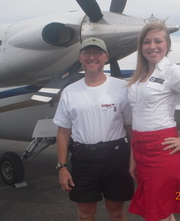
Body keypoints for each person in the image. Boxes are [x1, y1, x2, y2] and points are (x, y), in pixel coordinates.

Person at [127, 22, 180, 221]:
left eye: (158, 41)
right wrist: (133, 158)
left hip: (161, 151)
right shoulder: (141, 76)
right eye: (147, 42)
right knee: (162, 212)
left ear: (167, 44)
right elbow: (137, 119)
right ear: (141, 47)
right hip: (140, 150)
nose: (152, 46)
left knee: (157, 214)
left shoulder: (171, 72)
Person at [53, 37, 134, 221]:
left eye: (97, 52)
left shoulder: (121, 88)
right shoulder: (70, 92)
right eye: (87, 53)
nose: (92, 57)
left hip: (116, 157)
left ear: (106, 56)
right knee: (85, 214)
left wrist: (134, 159)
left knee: (116, 212)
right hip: (84, 159)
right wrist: (62, 167)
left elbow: (131, 128)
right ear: (80, 57)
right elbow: (63, 132)